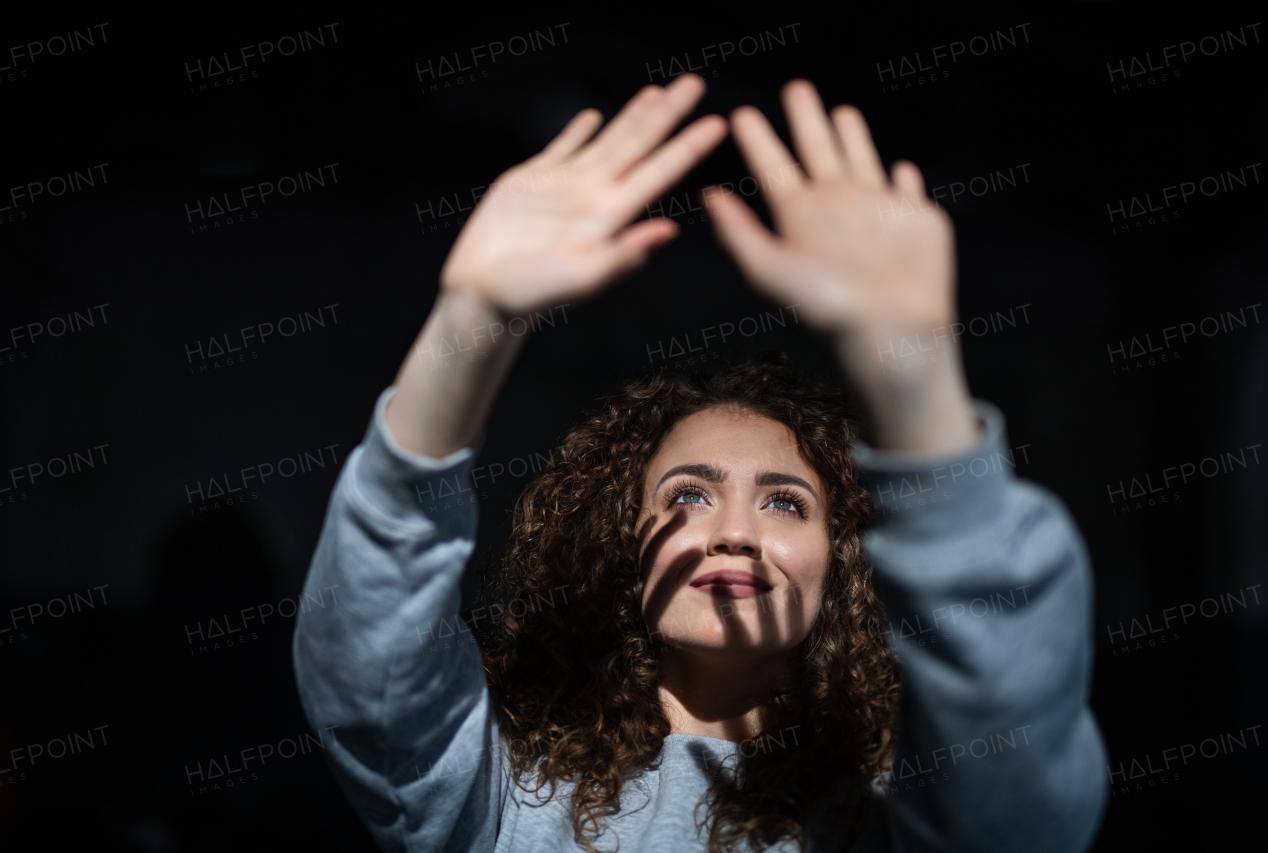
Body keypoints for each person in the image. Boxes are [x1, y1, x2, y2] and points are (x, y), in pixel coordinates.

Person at [293, 74, 1109, 852]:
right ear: (621, 536)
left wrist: (915, 375)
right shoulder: (500, 791)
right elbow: (371, 655)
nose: (735, 534)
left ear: (847, 559)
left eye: (786, 502)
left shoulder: (896, 811)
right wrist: (473, 317)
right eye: (688, 494)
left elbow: (1017, 796)